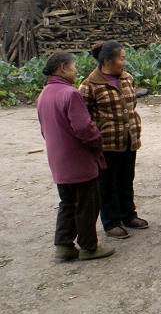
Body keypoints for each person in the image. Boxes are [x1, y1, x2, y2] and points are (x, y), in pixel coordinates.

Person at [37, 52, 114, 261]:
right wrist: (97, 140)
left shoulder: (44, 94)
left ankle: (63, 245)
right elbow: (83, 128)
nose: (76, 70)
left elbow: (44, 129)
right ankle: (89, 247)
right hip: (78, 160)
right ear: (62, 68)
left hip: (58, 160)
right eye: (73, 66)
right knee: (87, 203)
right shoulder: (70, 94)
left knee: (67, 202)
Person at [80, 41, 148, 239]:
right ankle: (111, 222)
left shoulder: (127, 79)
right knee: (107, 184)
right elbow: (83, 115)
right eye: (121, 58)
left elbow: (132, 103)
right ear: (108, 61)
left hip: (129, 140)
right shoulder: (89, 85)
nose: (124, 63)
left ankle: (129, 215)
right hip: (107, 144)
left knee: (127, 179)